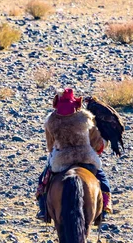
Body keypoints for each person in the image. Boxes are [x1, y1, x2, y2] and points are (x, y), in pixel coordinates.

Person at [36, 88, 113, 220]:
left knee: (44, 180)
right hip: (86, 157)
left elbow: (50, 146)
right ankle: (105, 207)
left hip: (61, 160)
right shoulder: (85, 118)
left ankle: (43, 210)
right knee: (102, 179)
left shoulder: (51, 120)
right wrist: (104, 144)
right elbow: (95, 142)